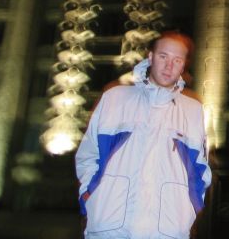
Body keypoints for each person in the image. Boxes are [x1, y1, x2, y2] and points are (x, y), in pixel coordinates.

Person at [75, 30, 211, 238]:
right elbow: (88, 154)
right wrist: (89, 197)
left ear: (183, 65)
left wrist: (190, 209)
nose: (169, 66)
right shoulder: (114, 98)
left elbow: (200, 169)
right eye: (163, 56)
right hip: (109, 227)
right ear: (151, 57)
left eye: (177, 60)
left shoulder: (193, 110)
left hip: (167, 231)